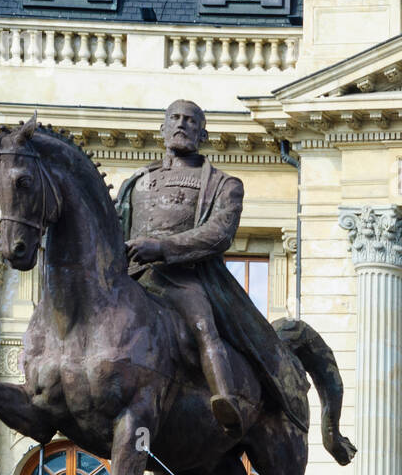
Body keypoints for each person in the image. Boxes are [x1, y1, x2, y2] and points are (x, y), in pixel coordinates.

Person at [115, 99, 302, 434]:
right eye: (174, 118)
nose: (182, 124)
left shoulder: (222, 184)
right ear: (162, 129)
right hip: (133, 277)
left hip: (184, 278)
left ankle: (224, 398)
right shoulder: (137, 181)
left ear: (202, 134)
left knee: (203, 323)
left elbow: (217, 235)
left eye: (190, 120)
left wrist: (161, 247)